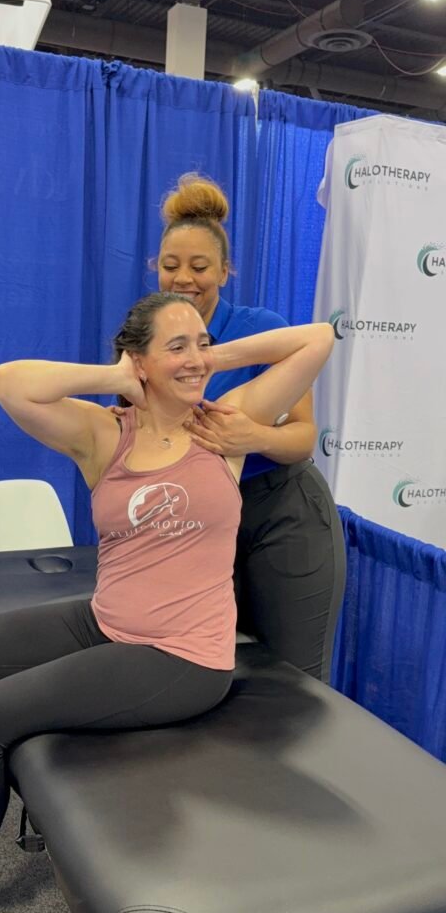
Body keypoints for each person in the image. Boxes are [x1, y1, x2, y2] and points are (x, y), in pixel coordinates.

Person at [0, 292, 333, 913]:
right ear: (137, 358)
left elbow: (318, 339)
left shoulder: (228, 424)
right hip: (105, 618)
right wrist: (118, 377)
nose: (195, 356)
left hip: (183, 657)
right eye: (175, 345)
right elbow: (8, 382)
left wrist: (208, 356)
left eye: (200, 342)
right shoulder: (104, 432)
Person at [154, 173, 346, 681]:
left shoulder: (264, 330)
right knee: (204, 671)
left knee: (294, 681)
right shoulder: (145, 338)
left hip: (281, 512)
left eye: (200, 267)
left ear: (225, 271)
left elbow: (304, 437)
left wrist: (254, 437)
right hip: (198, 520)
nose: (184, 279)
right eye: (170, 266)